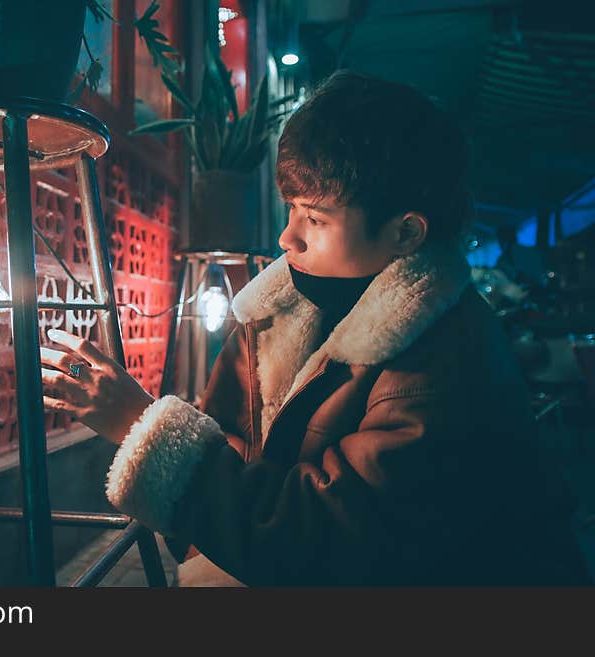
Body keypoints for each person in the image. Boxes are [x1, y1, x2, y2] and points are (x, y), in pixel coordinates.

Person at [40, 71, 591, 585]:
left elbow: (328, 538)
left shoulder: (448, 361)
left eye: (317, 219)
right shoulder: (278, 312)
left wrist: (140, 425)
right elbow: (227, 435)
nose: (288, 239)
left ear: (405, 234)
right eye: (291, 210)